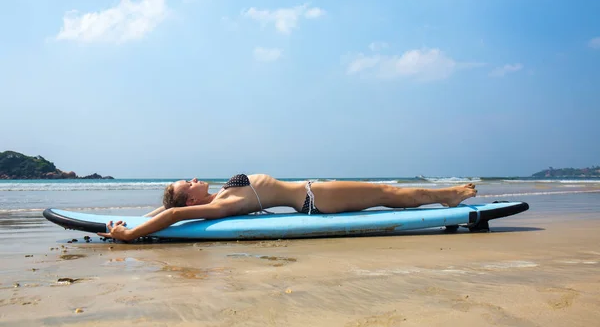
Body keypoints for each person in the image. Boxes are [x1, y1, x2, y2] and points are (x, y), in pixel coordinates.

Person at [98, 174, 477, 241]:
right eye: (189, 184)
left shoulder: (214, 200)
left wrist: (137, 220)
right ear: (191, 199)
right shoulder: (218, 206)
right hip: (313, 198)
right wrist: (130, 233)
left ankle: (445, 195)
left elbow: (165, 211)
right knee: (384, 193)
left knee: (384, 194)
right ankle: (448, 196)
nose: (194, 178)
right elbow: (175, 214)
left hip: (312, 194)